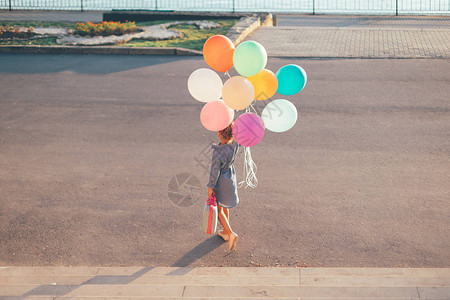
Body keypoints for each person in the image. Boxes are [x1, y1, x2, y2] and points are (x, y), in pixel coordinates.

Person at [207, 122, 240, 251]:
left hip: (221, 181)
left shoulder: (218, 151)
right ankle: (226, 232)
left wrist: (210, 187)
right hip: (230, 178)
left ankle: (231, 233)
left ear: (219, 133)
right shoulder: (235, 144)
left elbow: (214, 171)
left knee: (219, 210)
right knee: (225, 205)